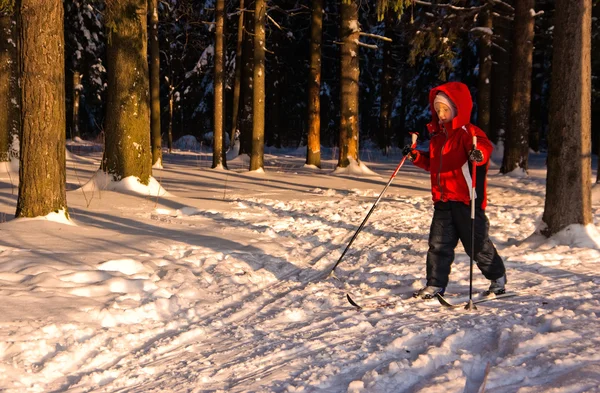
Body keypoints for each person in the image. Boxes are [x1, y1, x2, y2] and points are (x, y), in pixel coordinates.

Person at [402, 81, 507, 299]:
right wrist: (415, 156)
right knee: (438, 245)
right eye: (437, 109)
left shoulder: (469, 133)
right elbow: (434, 165)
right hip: (442, 200)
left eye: (445, 109)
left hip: (467, 201)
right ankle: (435, 285)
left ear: (457, 108)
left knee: (476, 245)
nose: (440, 114)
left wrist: (479, 155)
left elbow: (484, 148)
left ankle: (497, 277)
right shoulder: (438, 138)